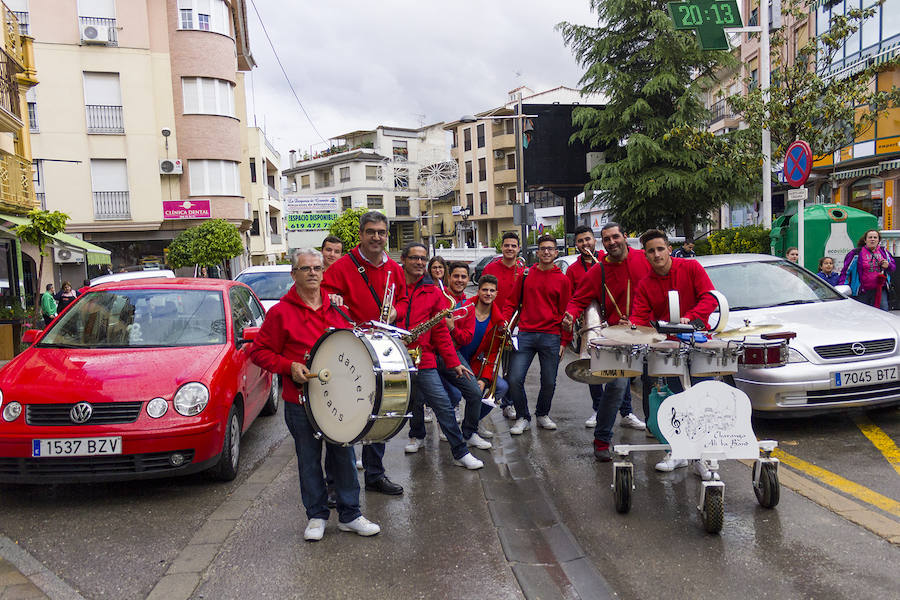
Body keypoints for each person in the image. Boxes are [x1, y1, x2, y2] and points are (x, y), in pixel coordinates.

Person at [249, 248, 380, 541]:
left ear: (323, 273)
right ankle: (317, 516)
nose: (312, 273)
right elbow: (258, 352)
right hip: (301, 402)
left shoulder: (338, 310)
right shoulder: (280, 313)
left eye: (317, 269)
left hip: (338, 400)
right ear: (294, 274)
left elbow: (352, 348)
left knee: (344, 457)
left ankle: (351, 514)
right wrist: (288, 366)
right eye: (306, 268)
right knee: (309, 460)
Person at [322, 211, 408, 496]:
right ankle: (335, 484)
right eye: (370, 231)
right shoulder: (341, 267)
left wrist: (397, 310)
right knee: (343, 416)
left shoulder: (394, 269)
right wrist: (333, 302)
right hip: (349, 350)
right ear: (360, 235)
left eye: (381, 232)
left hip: (381, 348)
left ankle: (375, 474)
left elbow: (405, 299)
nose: (376, 237)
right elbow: (324, 302)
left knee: (380, 412)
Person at [630, 229, 719, 477]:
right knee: (673, 400)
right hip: (668, 350)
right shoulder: (645, 284)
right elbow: (639, 316)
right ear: (645, 255)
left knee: (702, 399)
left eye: (661, 249)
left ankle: (704, 458)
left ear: (669, 249)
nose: (657, 254)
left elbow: (710, 299)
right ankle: (678, 451)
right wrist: (632, 329)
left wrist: (691, 319)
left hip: (698, 342)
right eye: (651, 251)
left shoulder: (691, 269)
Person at [563, 223, 652, 461]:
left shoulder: (645, 259)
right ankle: (602, 440)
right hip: (619, 339)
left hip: (652, 332)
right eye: (607, 239)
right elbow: (578, 298)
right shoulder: (598, 270)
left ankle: (661, 431)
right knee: (616, 387)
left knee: (657, 385)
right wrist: (570, 315)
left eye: (615, 237)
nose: (612, 242)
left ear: (625, 237)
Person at [400, 243, 484, 469]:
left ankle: (460, 452)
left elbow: (439, 332)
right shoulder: (393, 286)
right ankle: (413, 437)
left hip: (424, 355)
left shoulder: (433, 292)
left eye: (422, 258)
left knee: (443, 404)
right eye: (414, 258)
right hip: (396, 354)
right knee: (412, 402)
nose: (419, 262)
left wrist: (453, 362)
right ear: (404, 259)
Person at [504, 234, 572, 434]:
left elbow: (566, 314)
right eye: (543, 248)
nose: (546, 252)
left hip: (551, 336)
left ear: (556, 252)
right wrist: (505, 324)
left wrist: (564, 342)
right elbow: (511, 302)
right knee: (514, 378)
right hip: (525, 333)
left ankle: (542, 414)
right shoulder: (526, 275)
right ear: (538, 252)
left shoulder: (563, 280)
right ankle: (523, 416)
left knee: (549, 381)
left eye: (550, 248)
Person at [482, 232, 526, 419]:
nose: (510, 248)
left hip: (514, 325)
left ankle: (507, 403)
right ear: (502, 247)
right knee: (488, 363)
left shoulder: (523, 270)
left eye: (513, 246)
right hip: (492, 323)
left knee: (509, 367)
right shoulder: (491, 268)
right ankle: (482, 397)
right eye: (507, 245)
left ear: (518, 248)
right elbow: (483, 295)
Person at [462, 275, 510, 430]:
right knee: (456, 393)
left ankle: (473, 422)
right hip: (456, 363)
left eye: (492, 291)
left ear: (496, 293)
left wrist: (483, 379)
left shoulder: (498, 322)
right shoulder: (464, 308)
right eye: (485, 290)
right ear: (478, 291)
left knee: (502, 387)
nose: (488, 293)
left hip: (476, 367)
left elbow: (492, 354)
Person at [838, 229, 896, 310]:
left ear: (878, 240)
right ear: (865, 240)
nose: (872, 239)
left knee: (883, 314)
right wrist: (842, 287)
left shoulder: (883, 252)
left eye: (875, 237)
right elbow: (846, 272)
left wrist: (888, 265)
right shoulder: (856, 253)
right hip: (862, 291)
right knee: (862, 314)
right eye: (870, 237)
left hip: (880, 290)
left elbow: (893, 267)